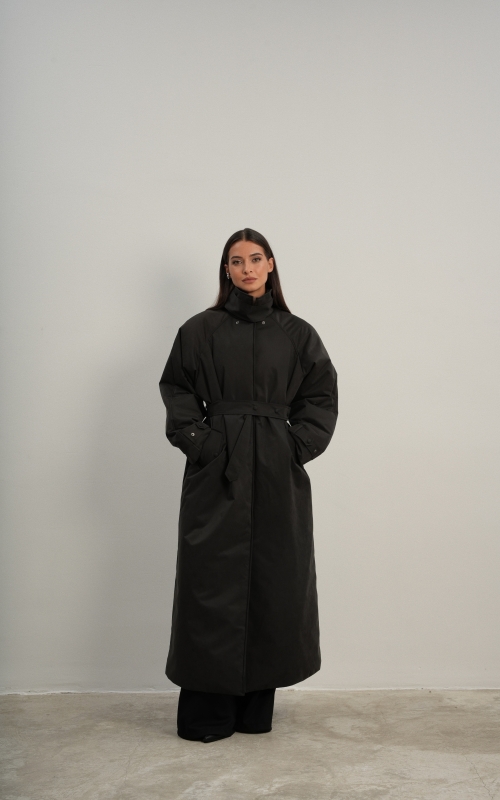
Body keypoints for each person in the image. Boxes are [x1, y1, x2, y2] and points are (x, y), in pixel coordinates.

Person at [159, 228, 338, 742]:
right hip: (218, 469)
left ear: (271, 265)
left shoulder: (297, 333)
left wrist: (294, 447)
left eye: (256, 259)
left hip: (277, 474)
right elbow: (177, 389)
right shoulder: (200, 329)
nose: (247, 269)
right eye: (236, 261)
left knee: (272, 584)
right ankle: (206, 714)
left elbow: (321, 397)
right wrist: (204, 444)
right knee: (209, 584)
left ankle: (256, 708)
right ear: (226, 270)